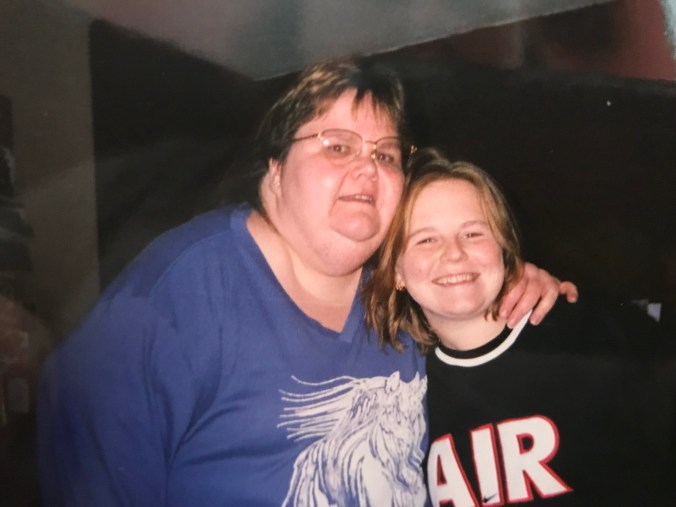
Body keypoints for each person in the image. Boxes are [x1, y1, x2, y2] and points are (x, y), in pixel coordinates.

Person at [38, 59, 572, 506]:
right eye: (338, 147)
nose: (368, 169)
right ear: (274, 165)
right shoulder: (171, 300)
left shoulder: (401, 292)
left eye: (386, 154)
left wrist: (514, 283)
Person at [365, 148, 676, 505]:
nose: (453, 253)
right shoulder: (403, 399)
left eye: (473, 233)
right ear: (397, 272)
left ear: (503, 248)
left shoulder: (595, 334)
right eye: (426, 239)